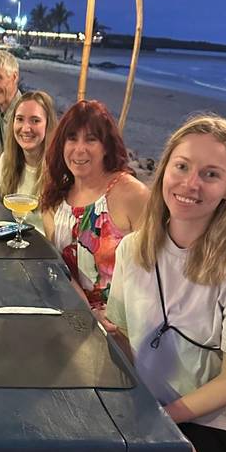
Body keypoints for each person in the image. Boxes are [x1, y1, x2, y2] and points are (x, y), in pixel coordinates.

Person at [106, 114, 226, 452]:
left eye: (211, 174)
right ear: (165, 168)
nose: (190, 184)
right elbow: (119, 335)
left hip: (206, 431)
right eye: (182, 166)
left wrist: (165, 417)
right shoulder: (132, 249)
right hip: (141, 404)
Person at [41, 100, 149, 311]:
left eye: (91, 140)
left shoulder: (132, 194)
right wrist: (88, 313)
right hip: (73, 315)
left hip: (123, 327)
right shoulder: (55, 198)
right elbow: (61, 269)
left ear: (107, 147)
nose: (79, 149)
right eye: (72, 139)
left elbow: (153, 273)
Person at [0, 91, 57, 234]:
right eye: (20, 119)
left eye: (35, 120)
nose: (26, 128)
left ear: (48, 125)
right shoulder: (6, 160)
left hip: (45, 252)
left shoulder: (58, 170)